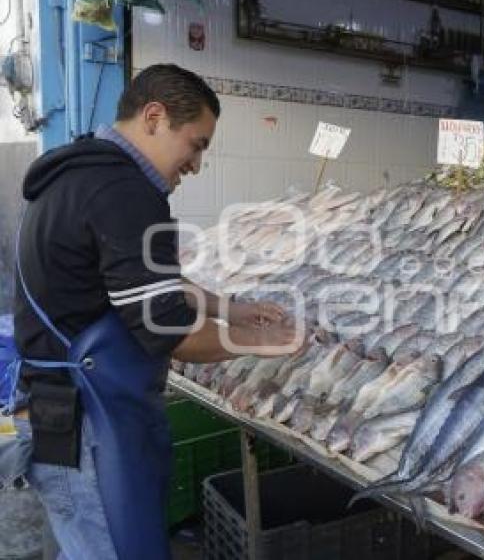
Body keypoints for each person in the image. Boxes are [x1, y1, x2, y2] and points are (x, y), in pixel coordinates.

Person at [0, 64, 298, 559]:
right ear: (155, 117)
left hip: (68, 417)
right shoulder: (123, 191)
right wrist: (266, 343)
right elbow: (170, 333)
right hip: (88, 429)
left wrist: (233, 310)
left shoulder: (80, 175)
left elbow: (142, 285)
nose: (197, 164)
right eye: (197, 144)